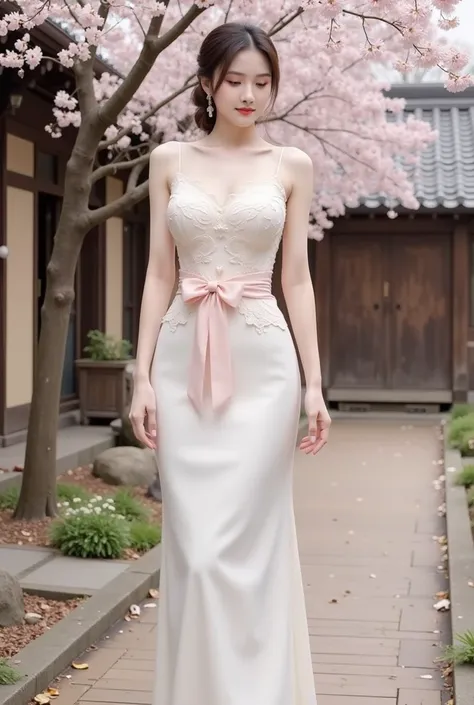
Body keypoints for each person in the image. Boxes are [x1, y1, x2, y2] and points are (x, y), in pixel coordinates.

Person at [129, 20, 331, 705]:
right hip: (181, 362)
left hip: (264, 365)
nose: (250, 94)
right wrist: (140, 373)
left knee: (250, 547)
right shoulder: (169, 161)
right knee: (197, 550)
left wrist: (313, 384)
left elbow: (297, 280)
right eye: (236, 80)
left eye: (263, 81)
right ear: (208, 83)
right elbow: (159, 273)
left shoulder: (290, 166)